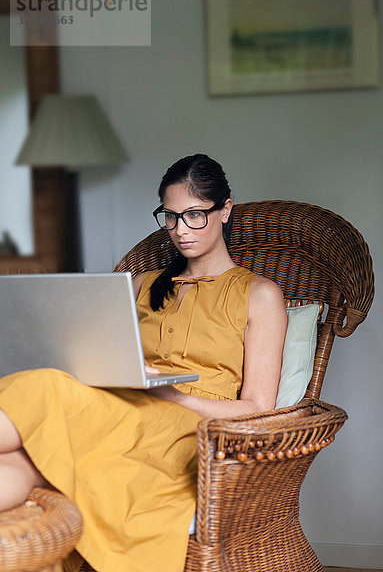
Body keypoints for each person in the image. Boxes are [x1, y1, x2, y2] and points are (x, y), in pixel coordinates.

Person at [0, 154, 287, 572]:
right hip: (119, 405)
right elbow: (98, 353)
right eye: (170, 217)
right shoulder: (141, 284)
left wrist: (174, 396)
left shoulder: (259, 294)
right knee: (24, 462)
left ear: (225, 210)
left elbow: (259, 409)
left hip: (186, 430)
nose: (180, 230)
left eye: (194, 215)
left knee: (43, 386)